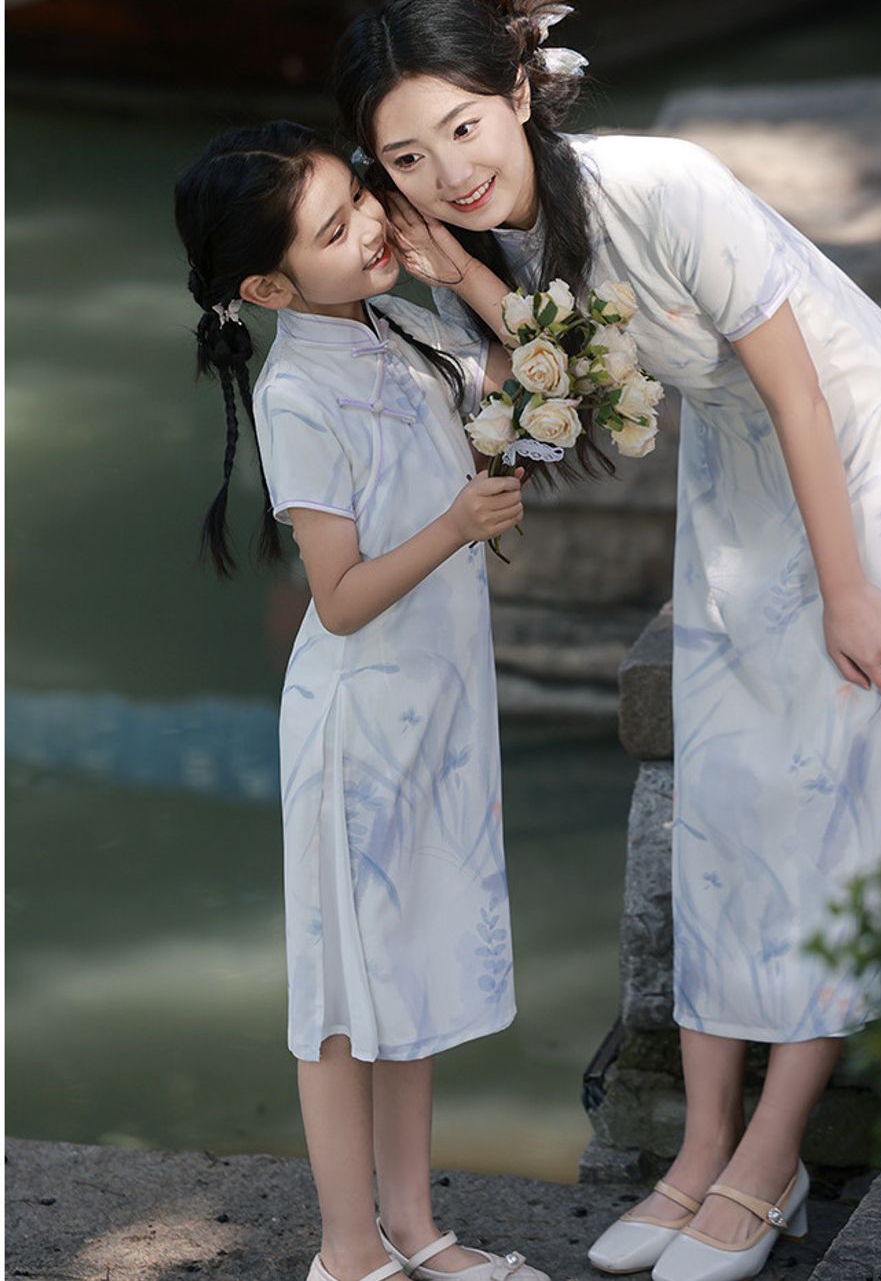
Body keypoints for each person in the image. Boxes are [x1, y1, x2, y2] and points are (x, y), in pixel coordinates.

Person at [332, 0, 881, 1281]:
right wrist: (461, 275)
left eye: (464, 129)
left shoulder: (665, 184)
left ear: (517, 93)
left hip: (862, 465)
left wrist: (851, 587)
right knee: (724, 803)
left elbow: (800, 388)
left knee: (830, 801)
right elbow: (584, 375)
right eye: (408, 158)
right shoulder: (498, 237)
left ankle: (770, 1159)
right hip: (741, 487)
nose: (450, 172)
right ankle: (699, 1154)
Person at [174, 120, 545, 1281]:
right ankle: (347, 1248)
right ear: (268, 287)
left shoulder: (399, 323)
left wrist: (457, 271)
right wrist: (455, 524)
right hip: (359, 726)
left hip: (438, 704)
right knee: (343, 998)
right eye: (334, 229)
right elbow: (335, 599)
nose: (372, 226)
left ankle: (416, 1226)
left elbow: (535, 369)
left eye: (361, 199)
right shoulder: (297, 393)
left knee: (412, 966)